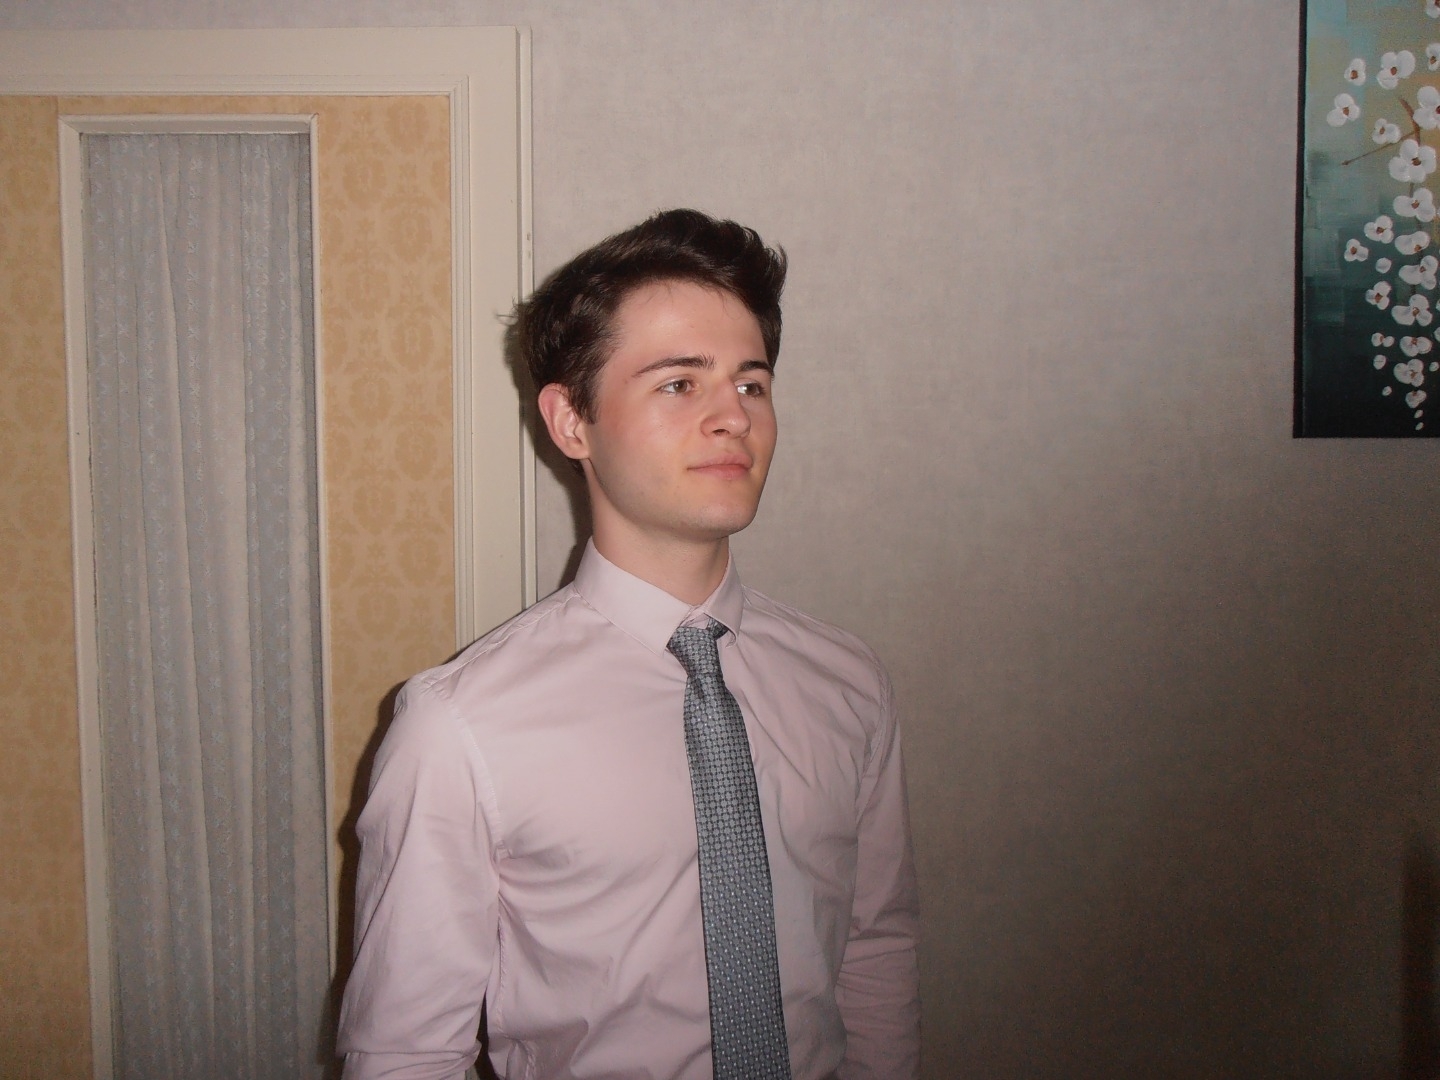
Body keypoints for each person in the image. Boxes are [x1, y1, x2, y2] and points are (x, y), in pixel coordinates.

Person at [336, 209, 920, 1079]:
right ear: (572, 422)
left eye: (752, 384)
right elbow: (406, 1053)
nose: (733, 418)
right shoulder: (459, 727)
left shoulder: (849, 684)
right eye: (680, 383)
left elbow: (876, 948)